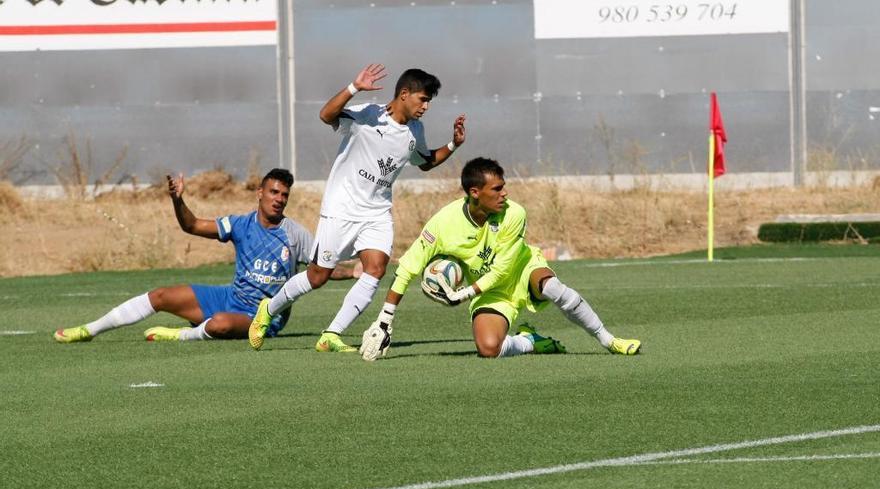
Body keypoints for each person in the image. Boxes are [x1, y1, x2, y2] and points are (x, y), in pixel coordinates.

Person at [247, 63, 466, 353]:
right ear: (404, 94)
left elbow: (424, 161)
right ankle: (268, 309)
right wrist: (354, 88)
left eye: (429, 101)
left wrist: (453, 144)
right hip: (341, 208)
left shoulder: (415, 131)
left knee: (376, 268)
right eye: (423, 99)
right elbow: (326, 116)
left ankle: (331, 335)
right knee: (318, 276)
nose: (426, 106)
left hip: (376, 213)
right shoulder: (369, 115)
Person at [359, 157, 642, 361]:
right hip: (490, 292)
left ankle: (608, 339)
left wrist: (465, 293)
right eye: (496, 189)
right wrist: (384, 320)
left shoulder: (514, 213)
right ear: (475, 193)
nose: (504, 194)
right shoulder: (443, 224)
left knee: (552, 288)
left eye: (503, 187)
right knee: (488, 349)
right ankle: (529, 341)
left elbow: (504, 267)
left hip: (522, 270)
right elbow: (408, 268)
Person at [54, 169, 357, 344]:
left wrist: (353, 272)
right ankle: (89, 330)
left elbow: (322, 269)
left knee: (219, 324)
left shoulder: (294, 233)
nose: (279, 199)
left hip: (264, 317)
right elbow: (191, 225)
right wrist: (178, 199)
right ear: (260, 193)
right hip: (228, 298)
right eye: (274, 192)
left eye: (284, 195)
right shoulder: (240, 224)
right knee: (160, 295)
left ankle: (182, 335)